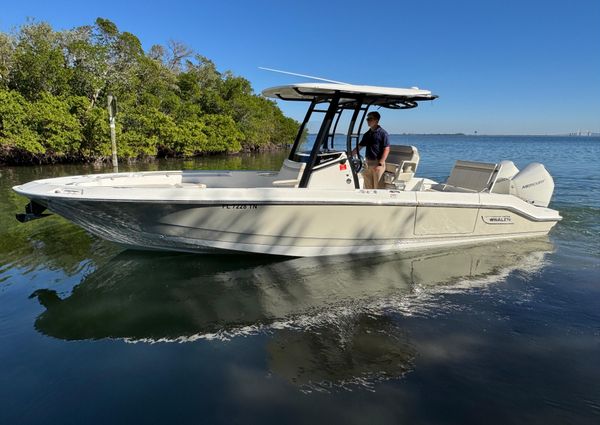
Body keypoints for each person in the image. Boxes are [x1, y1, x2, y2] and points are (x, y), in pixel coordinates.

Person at [351, 111, 390, 189]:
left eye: (370, 119)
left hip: (377, 163)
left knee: (378, 188)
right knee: (368, 188)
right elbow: (360, 146)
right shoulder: (367, 134)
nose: (368, 121)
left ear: (376, 120)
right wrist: (350, 154)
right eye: (367, 119)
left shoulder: (383, 133)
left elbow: (387, 149)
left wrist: (380, 164)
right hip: (367, 163)